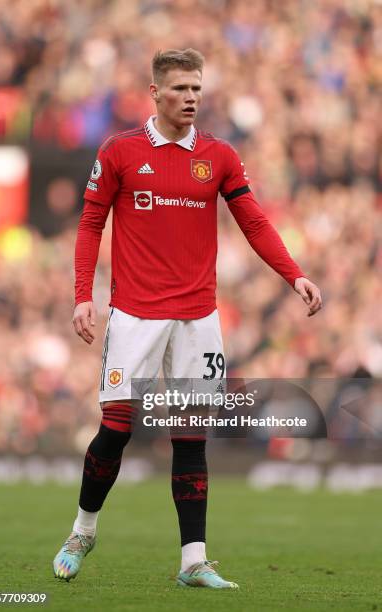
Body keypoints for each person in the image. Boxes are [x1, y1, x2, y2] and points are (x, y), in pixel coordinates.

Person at [53, 48, 322, 588]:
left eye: (197, 87)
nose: (191, 97)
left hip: (199, 318)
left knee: (191, 437)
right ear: (155, 93)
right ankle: (83, 530)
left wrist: (294, 274)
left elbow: (253, 221)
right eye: (180, 88)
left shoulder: (219, 156)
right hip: (135, 316)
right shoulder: (120, 152)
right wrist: (84, 295)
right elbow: (89, 226)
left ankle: (193, 561)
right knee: (116, 430)